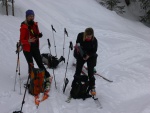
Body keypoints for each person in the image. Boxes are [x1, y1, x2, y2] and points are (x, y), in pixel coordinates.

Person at [20, 9, 51, 91]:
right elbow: (21, 40)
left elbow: (36, 34)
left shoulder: (34, 25)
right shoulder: (24, 27)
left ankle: (47, 76)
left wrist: (39, 35)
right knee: (31, 65)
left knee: (40, 62)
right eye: (30, 16)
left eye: (32, 16)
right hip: (27, 48)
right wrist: (28, 41)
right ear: (26, 17)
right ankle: (32, 79)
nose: (32, 17)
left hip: (35, 47)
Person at [72, 27, 98, 96]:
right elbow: (77, 44)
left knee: (90, 71)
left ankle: (92, 86)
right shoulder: (80, 35)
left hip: (90, 56)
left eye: (90, 36)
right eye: (87, 36)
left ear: (92, 35)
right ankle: (75, 83)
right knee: (78, 69)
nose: (88, 37)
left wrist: (88, 55)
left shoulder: (94, 40)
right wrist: (80, 52)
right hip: (81, 54)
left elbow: (94, 51)